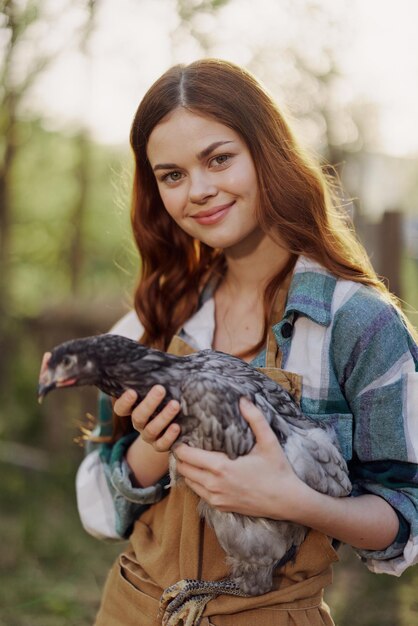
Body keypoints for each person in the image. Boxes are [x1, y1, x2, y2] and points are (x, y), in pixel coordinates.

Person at [75, 59, 418, 626]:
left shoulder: (356, 324)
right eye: (172, 175)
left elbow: (407, 517)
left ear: (267, 152)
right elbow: (96, 510)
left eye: (218, 158)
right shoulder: (151, 322)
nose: (200, 191)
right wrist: (152, 446)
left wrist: (295, 501)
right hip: (129, 608)